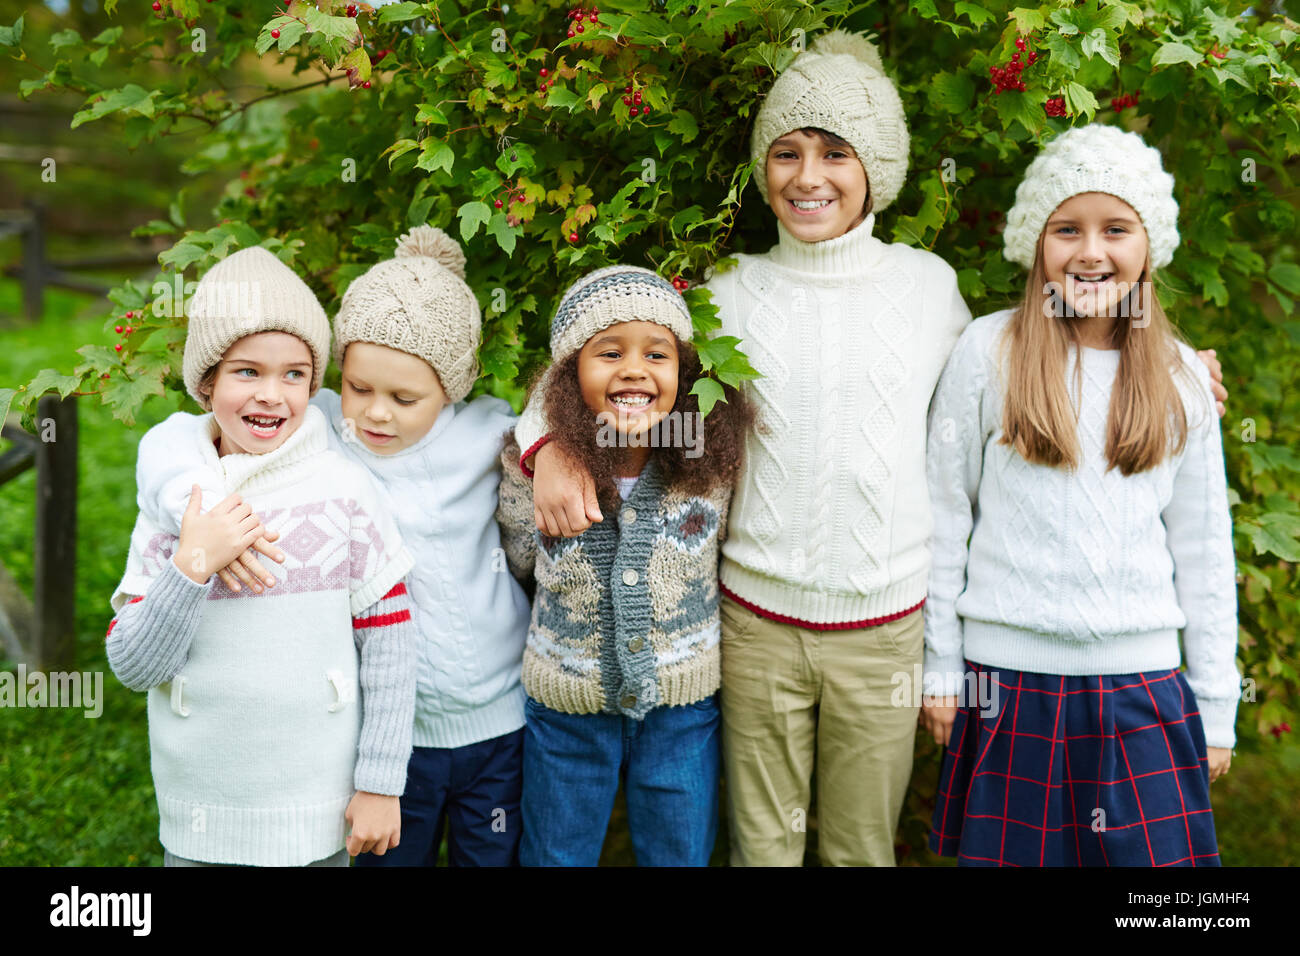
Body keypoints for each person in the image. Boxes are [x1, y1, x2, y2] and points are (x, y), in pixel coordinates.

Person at [132, 227, 531, 867]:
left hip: (500, 709)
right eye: (358, 388)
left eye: (405, 398)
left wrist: (559, 458)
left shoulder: (487, 433)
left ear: (452, 390)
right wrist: (191, 506)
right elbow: (177, 438)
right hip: (384, 725)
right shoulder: (315, 424)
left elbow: (551, 433)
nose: (375, 414)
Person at [920, 124, 1238, 866]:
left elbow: (1205, 550)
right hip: (1006, 687)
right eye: (1068, 229)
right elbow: (943, 514)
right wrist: (941, 669)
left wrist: (1217, 704)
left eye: (1115, 229)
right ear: (1038, 243)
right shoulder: (989, 352)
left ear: (1147, 245)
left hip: (1142, 689)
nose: (1091, 251)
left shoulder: (1183, 376)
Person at [106, 245, 417, 867]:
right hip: (201, 816)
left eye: (294, 374)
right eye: (247, 372)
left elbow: (390, 642)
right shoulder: (181, 502)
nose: (272, 395)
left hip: (318, 813)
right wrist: (193, 564)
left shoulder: (346, 490)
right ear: (207, 382)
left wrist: (381, 782)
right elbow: (134, 665)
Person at [495, 265, 754, 865]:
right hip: (567, 703)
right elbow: (518, 557)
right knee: (556, 851)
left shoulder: (706, 461)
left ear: (683, 372)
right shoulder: (532, 466)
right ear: (569, 374)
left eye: (656, 354)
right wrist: (545, 453)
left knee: (679, 851)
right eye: (608, 352)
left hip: (681, 704)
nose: (634, 369)